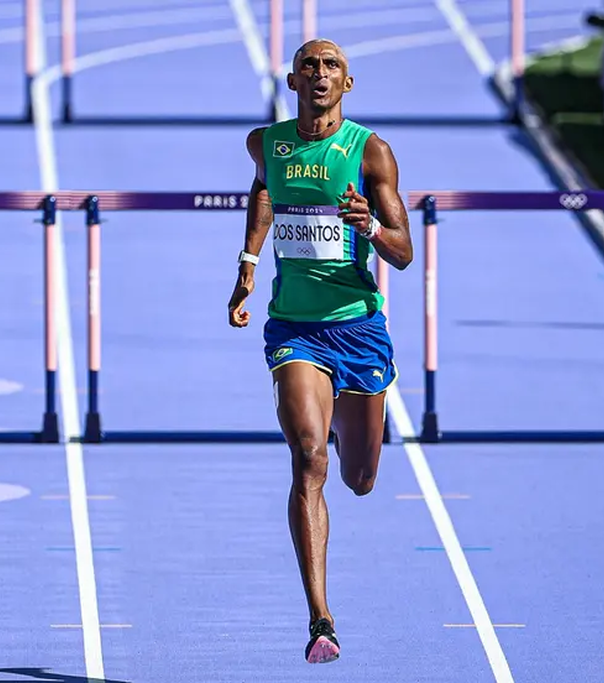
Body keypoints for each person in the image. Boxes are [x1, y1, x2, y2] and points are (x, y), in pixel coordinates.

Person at [227, 39, 413, 664]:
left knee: (358, 479)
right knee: (309, 457)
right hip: (295, 329)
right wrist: (249, 262)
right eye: (310, 65)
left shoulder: (371, 151)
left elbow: (403, 251)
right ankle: (321, 619)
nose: (320, 74)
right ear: (292, 80)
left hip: (358, 329)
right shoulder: (267, 144)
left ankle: (345, 423)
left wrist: (371, 228)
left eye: (332, 66)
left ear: (348, 83)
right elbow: (263, 190)